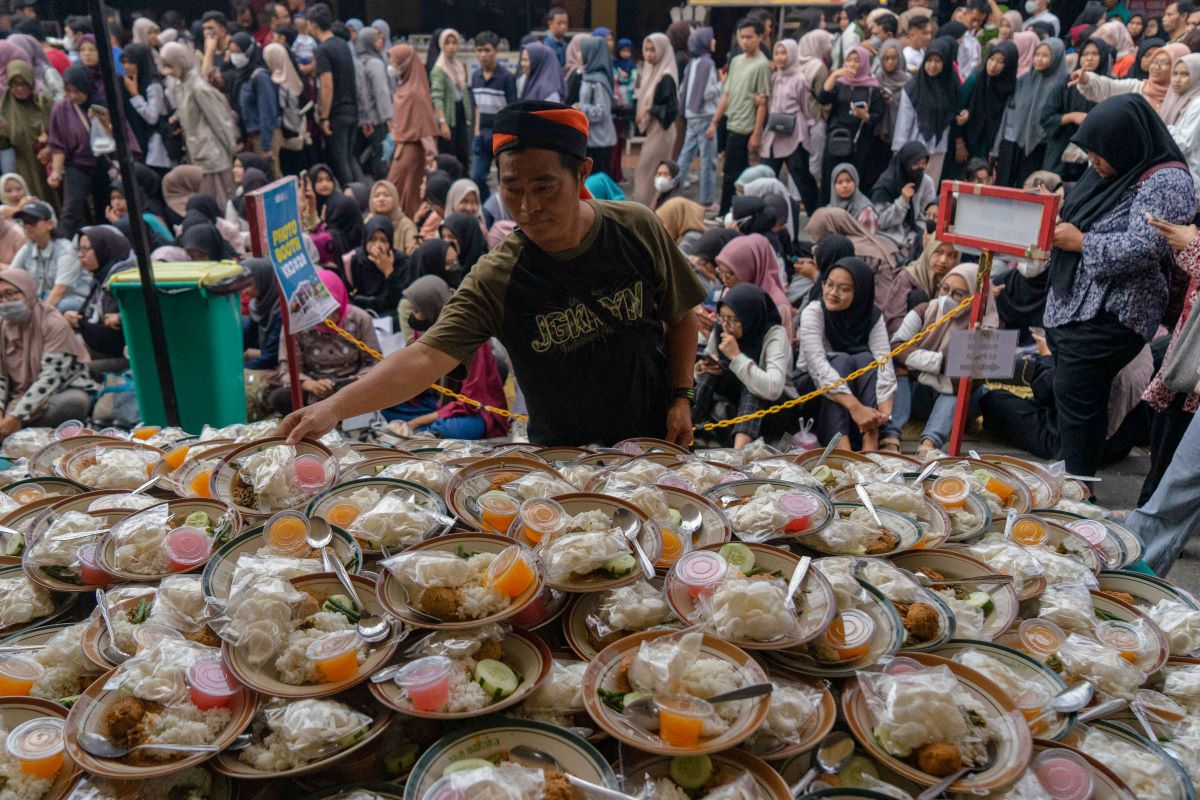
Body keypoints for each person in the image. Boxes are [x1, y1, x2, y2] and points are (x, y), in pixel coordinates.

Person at [278, 100, 706, 447]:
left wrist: (681, 395)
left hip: (652, 442)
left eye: (544, 187)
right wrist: (334, 408)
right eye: (512, 189)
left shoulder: (635, 227)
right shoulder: (499, 274)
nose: (527, 207)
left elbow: (681, 313)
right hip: (562, 459)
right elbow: (426, 356)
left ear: (581, 174)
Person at [1045, 94, 1196, 481]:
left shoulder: (1167, 180)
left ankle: (1078, 488)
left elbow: (1146, 247)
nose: (1093, 162)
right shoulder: (1115, 169)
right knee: (1073, 397)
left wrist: (1082, 243)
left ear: (1125, 143)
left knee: (1076, 391)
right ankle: (1072, 479)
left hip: (1115, 312)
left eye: (1100, 152)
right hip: (1074, 307)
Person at [890, 263, 999, 454]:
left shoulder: (985, 328)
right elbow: (897, 347)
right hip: (920, 394)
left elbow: (965, 379)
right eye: (944, 289)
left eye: (958, 294)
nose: (947, 298)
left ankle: (929, 444)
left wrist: (917, 365)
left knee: (959, 386)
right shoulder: (925, 310)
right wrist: (940, 364)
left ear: (975, 298)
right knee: (898, 372)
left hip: (956, 405)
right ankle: (890, 438)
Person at [392, 274, 509, 440]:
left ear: (431, 308)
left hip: (477, 411)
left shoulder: (467, 334)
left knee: (447, 429)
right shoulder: (424, 330)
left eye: (417, 311)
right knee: (390, 403)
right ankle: (427, 429)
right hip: (442, 402)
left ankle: (428, 430)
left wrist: (417, 422)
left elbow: (471, 402)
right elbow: (416, 375)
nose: (413, 317)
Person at [797, 257, 895, 450]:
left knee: (867, 359)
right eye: (829, 285)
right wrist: (855, 407)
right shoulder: (814, 312)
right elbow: (817, 365)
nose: (833, 293)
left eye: (844, 289)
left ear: (860, 293)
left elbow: (884, 361)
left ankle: (870, 438)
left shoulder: (872, 316)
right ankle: (842, 447)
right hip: (814, 386)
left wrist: (883, 412)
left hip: (858, 391)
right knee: (841, 360)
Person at [693, 283, 794, 447]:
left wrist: (736, 356)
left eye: (733, 319)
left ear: (749, 317)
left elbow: (773, 388)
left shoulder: (774, 334)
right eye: (722, 317)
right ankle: (685, 429)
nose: (726, 325)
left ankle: (739, 451)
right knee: (707, 377)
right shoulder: (722, 327)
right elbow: (701, 368)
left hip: (771, 409)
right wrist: (702, 368)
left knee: (752, 386)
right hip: (730, 399)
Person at [270, 269, 380, 414]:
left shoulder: (360, 319)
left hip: (353, 385)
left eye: (332, 309)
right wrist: (309, 384)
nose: (325, 318)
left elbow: (373, 362)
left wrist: (356, 381)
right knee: (280, 397)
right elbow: (287, 369)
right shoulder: (297, 325)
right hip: (315, 387)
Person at [0, 268, 93, 437]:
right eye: (0, 297)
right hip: (16, 393)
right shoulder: (3, 323)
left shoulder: (52, 322)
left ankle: (19, 431)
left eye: (10, 293)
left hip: (57, 390)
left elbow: (50, 377)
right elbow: (1, 376)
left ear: (27, 291)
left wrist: (16, 416)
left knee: (74, 403)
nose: (5, 302)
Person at [159, 43, 237, 210]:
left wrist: (232, 149)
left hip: (212, 154)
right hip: (198, 153)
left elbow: (219, 120)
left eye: (169, 66)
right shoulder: (182, 84)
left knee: (221, 202)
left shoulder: (197, 86)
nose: (167, 71)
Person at [711, 18, 770, 216]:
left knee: (733, 175)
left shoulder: (762, 64)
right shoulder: (736, 61)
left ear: (760, 37)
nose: (745, 41)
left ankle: (726, 213)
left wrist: (756, 133)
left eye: (749, 37)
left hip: (746, 127)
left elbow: (763, 102)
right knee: (734, 173)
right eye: (742, 37)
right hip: (731, 122)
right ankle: (735, 212)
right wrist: (714, 122)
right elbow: (726, 94)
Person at [759, 38, 820, 217]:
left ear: (792, 54)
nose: (780, 57)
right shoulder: (774, 77)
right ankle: (765, 214)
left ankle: (816, 214)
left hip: (794, 133)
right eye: (777, 53)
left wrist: (807, 127)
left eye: (784, 53)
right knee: (767, 173)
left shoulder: (800, 79)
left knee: (800, 174)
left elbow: (806, 108)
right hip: (774, 132)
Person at [818, 46, 884, 204]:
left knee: (854, 178)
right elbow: (823, 98)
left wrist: (865, 116)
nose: (852, 64)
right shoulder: (840, 83)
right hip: (836, 138)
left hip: (859, 141)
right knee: (831, 178)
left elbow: (878, 114)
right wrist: (834, 75)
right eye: (849, 60)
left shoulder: (872, 87)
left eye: (857, 60)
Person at [892, 38, 959, 186]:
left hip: (938, 148)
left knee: (930, 187)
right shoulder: (913, 88)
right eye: (929, 60)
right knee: (910, 186)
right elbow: (904, 121)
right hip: (914, 147)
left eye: (938, 61)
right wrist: (898, 149)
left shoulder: (950, 86)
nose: (932, 65)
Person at [64, 225, 129, 377]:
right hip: (104, 350)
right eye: (79, 250)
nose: (81, 255)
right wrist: (78, 320)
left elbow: (114, 340)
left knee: (74, 371)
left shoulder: (120, 279)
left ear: (103, 249)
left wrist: (80, 324)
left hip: (129, 357)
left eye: (86, 249)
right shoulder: (98, 279)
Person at [1041, 37, 1111, 180]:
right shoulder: (1066, 84)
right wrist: (1072, 117)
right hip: (1061, 154)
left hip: (1094, 158)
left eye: (1095, 54)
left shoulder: (1110, 87)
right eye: (1085, 54)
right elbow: (1046, 117)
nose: (1089, 58)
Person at [310, 3, 361, 186]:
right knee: (350, 157)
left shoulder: (322, 49)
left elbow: (326, 85)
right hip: (352, 109)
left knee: (340, 162)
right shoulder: (343, 45)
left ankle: (352, 198)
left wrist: (324, 116)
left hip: (336, 113)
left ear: (314, 25)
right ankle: (361, 194)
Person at [386, 44, 439, 219]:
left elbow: (424, 128)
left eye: (394, 61)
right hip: (402, 148)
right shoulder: (405, 86)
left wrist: (431, 157)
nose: (391, 65)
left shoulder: (415, 93)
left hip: (412, 151)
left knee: (404, 191)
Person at [8, 201, 87, 311]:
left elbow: (60, 290)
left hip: (74, 301)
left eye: (32, 221)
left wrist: (39, 316)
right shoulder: (27, 248)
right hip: (43, 299)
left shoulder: (66, 250)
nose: (27, 226)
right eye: (24, 222)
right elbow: (10, 277)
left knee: (64, 305)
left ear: (49, 224)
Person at [715, 233, 794, 341]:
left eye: (730, 274)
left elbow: (783, 352)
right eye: (720, 271)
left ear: (751, 270)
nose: (724, 279)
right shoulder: (729, 291)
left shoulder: (777, 306)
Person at [1072, 40, 1187, 112]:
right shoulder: (1138, 87)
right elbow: (1109, 87)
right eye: (1154, 61)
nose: (1156, 67)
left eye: (1165, 63)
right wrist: (1086, 79)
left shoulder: (1184, 100)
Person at [469, 31, 517, 204]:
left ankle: (504, 212)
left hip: (501, 137)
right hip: (481, 136)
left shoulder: (506, 78)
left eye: (487, 50)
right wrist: (476, 132)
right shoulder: (475, 77)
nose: (482, 55)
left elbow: (512, 110)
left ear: (495, 51)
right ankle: (487, 207)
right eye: (479, 50)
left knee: (505, 179)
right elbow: (476, 107)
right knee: (476, 176)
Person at [676, 27, 720, 211]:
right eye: (712, 38)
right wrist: (722, 86)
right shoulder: (708, 64)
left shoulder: (691, 63)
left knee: (685, 156)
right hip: (705, 114)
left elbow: (682, 90)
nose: (714, 41)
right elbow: (710, 92)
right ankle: (706, 199)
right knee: (707, 158)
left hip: (691, 114)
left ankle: (673, 191)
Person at [632, 34, 678, 207]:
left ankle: (643, 210)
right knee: (648, 172)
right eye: (647, 49)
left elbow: (672, 110)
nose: (649, 54)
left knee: (647, 171)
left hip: (662, 131)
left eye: (653, 50)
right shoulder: (653, 72)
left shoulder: (666, 77)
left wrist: (649, 109)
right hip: (656, 130)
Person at [0, 61, 53, 207]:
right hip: (26, 167)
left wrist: (50, 147)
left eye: (24, 84)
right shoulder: (4, 110)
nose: (20, 89)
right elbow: (4, 145)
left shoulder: (43, 103)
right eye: (15, 84)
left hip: (51, 161)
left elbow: (59, 129)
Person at [870, 143, 935, 256]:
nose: (920, 168)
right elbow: (879, 221)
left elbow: (925, 214)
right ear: (905, 163)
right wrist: (902, 202)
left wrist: (918, 234)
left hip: (913, 233)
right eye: (915, 163)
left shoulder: (926, 182)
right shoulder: (886, 185)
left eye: (923, 163)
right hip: (887, 235)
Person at [119, 43, 172, 175]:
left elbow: (152, 117)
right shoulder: (125, 82)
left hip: (156, 149)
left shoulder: (153, 85)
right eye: (123, 62)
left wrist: (135, 95)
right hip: (138, 142)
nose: (126, 67)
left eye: (130, 62)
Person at [345, 215, 404, 316]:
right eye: (372, 239)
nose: (377, 245)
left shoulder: (401, 262)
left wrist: (389, 271)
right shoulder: (357, 259)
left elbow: (399, 302)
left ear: (390, 242)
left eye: (383, 240)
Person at [353, 25, 391, 180]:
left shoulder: (357, 61)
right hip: (376, 117)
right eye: (376, 39)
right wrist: (389, 118)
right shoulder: (376, 63)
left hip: (362, 117)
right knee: (380, 153)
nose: (381, 41)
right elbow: (381, 93)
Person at [429, 28, 471, 169]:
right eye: (447, 43)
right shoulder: (439, 69)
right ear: (442, 45)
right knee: (449, 153)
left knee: (463, 151)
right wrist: (442, 122)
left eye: (454, 43)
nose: (451, 46)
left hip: (459, 113)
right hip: (447, 116)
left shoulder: (458, 66)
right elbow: (437, 97)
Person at [1163, 54, 1200, 194]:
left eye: (1185, 74)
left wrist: (1162, 129)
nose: (1177, 79)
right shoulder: (1173, 97)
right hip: (1177, 172)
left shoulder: (1197, 105)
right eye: (1175, 73)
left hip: (1192, 178)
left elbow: (1184, 143)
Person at [579, 36, 616, 172]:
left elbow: (601, 111)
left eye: (582, 51)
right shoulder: (588, 76)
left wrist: (581, 108)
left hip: (599, 141)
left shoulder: (598, 81)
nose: (579, 54)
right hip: (591, 139)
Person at [368, 180, 419, 254]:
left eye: (386, 195)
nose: (381, 199)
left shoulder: (406, 225)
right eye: (376, 195)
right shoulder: (368, 222)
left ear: (395, 198)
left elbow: (412, 254)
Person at [828, 163, 878, 234]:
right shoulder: (829, 210)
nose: (844, 185)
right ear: (833, 185)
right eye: (840, 182)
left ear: (856, 182)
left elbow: (868, 240)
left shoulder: (866, 211)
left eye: (848, 181)